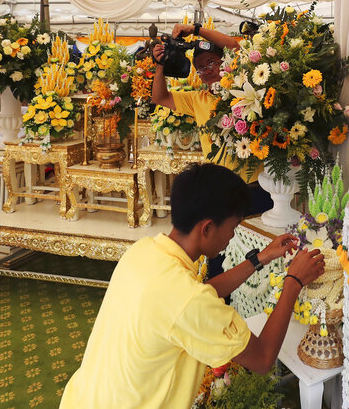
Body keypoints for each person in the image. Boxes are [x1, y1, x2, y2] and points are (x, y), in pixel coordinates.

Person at [60, 163, 325, 409]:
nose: (233, 235)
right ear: (207, 228)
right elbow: (263, 359)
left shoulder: (144, 251)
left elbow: (200, 294)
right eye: (233, 227)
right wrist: (294, 281)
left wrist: (261, 258)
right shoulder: (188, 301)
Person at [151, 23, 259, 183]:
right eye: (200, 68)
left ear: (225, 62)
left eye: (211, 63)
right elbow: (160, 98)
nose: (207, 71)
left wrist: (195, 30)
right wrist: (160, 64)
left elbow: (234, 46)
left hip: (254, 181)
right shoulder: (197, 99)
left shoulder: (243, 86)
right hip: (219, 183)